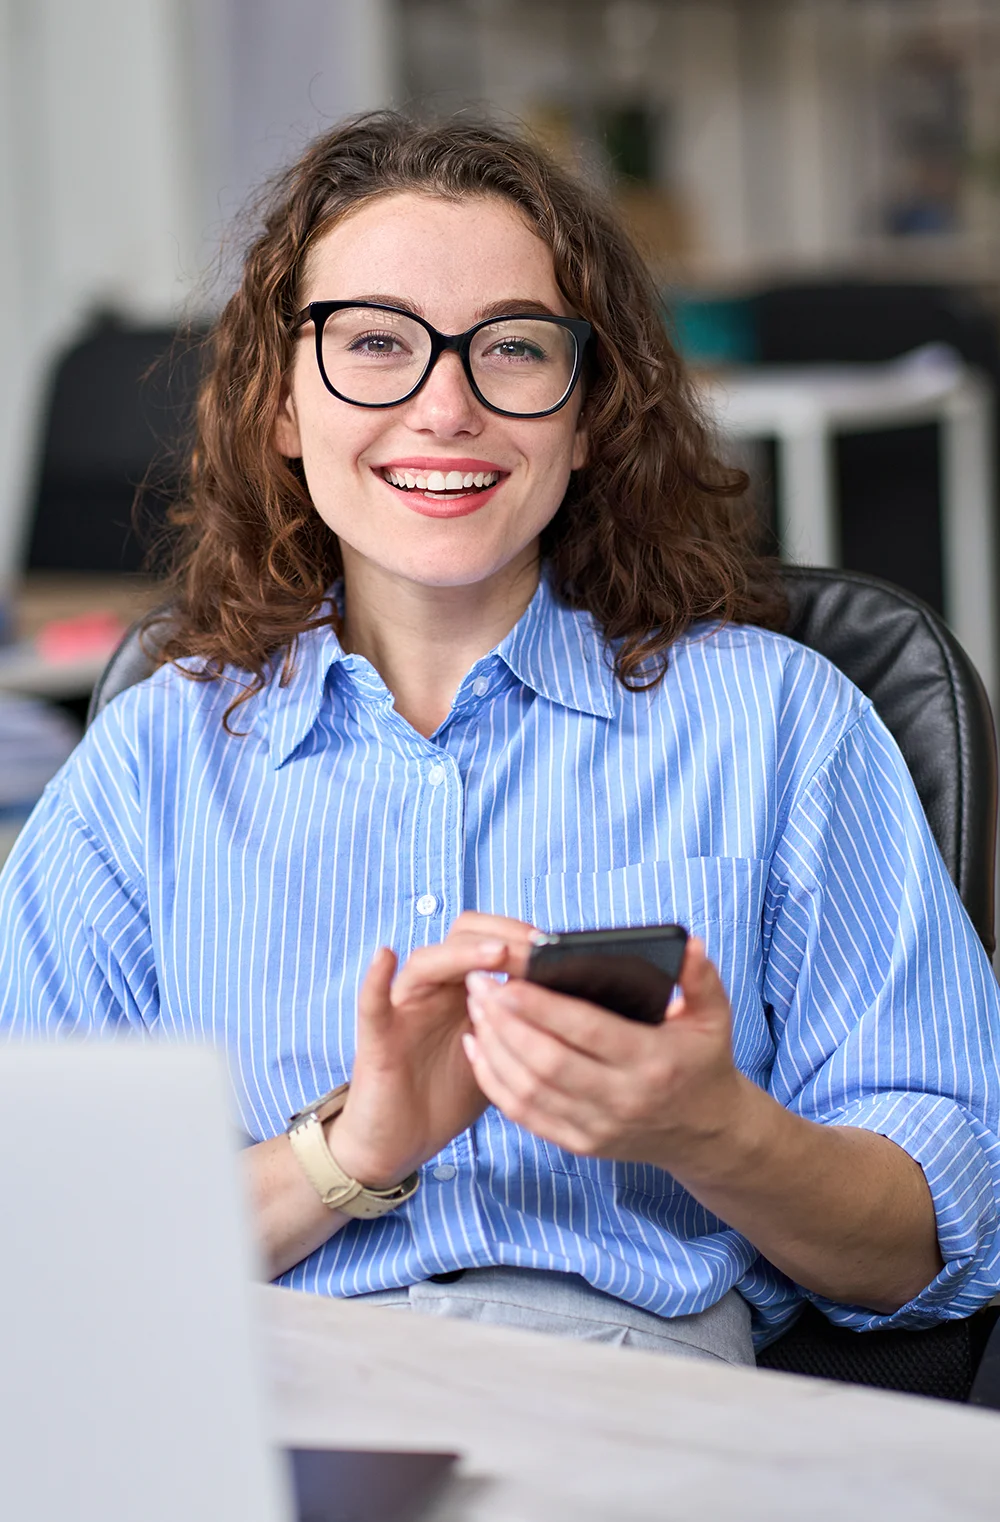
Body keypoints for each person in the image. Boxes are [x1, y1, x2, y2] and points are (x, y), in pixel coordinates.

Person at [2, 114, 999, 1366]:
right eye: (373, 344)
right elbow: (46, 1243)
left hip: (634, 1408)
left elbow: (946, 1242)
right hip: (260, 1396)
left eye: (514, 350)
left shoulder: (781, 725)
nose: (446, 406)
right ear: (282, 405)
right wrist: (354, 1150)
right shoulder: (147, 768)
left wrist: (710, 1131)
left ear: (587, 414)